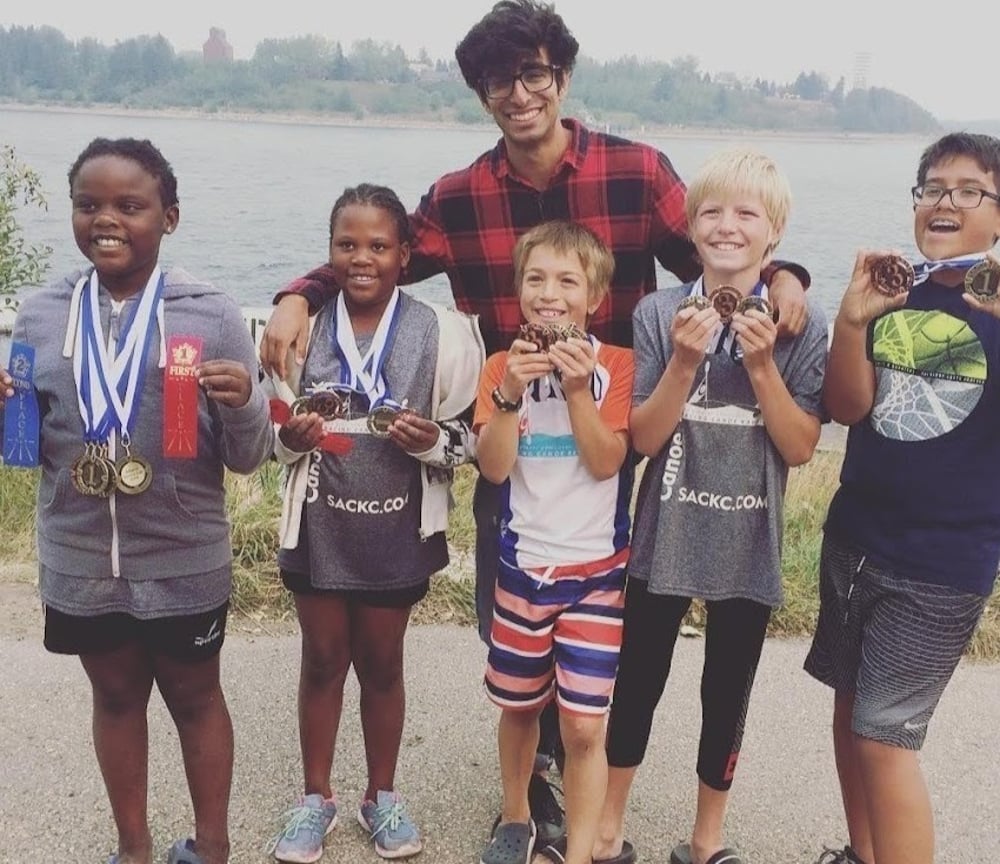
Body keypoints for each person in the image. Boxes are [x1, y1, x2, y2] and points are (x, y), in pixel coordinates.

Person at [258, 0, 813, 845]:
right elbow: (377, 252)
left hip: (609, 421)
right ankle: (534, 780)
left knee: (592, 601)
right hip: (507, 417)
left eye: (533, 74)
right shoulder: (458, 195)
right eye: (496, 82)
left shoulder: (635, 170)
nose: (518, 95)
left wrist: (786, 276)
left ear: (561, 77)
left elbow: (720, 250)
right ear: (481, 94)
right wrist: (304, 290)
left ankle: (566, 768)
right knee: (508, 607)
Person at [0, 137, 274, 864]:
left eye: (130, 205)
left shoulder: (210, 314)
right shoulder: (39, 314)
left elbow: (249, 455)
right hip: (81, 560)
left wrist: (249, 401)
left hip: (183, 556)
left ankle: (211, 847)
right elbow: (25, 451)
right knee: (115, 699)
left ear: (170, 216)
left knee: (195, 698)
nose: (106, 220)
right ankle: (134, 849)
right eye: (88, 205)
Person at [581, 149, 828, 864]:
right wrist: (686, 364)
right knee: (639, 680)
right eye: (711, 213)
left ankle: (706, 837)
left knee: (727, 692)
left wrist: (760, 365)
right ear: (689, 228)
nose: (727, 227)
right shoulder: (660, 312)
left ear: (774, 233)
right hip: (667, 528)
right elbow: (646, 438)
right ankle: (608, 824)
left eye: (747, 214)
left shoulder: (798, 325)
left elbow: (801, 445)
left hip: (750, 534)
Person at [264, 183, 484, 863]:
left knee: (383, 664)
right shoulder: (299, 329)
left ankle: (382, 796)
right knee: (323, 659)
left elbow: (467, 442)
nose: (363, 258)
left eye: (379, 246)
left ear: (406, 253)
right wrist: (294, 437)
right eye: (347, 244)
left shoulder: (442, 332)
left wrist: (426, 442)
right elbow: (270, 438)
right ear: (329, 251)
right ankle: (315, 798)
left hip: (398, 527)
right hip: (319, 522)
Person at [804, 132, 1000, 864]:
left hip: (943, 561)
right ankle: (862, 852)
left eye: (969, 189)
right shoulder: (894, 289)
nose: (945, 201)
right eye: (932, 187)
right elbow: (849, 408)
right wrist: (853, 321)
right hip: (856, 539)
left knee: (885, 739)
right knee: (850, 711)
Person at [473, 220, 633, 864]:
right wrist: (510, 393)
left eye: (568, 280)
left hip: (597, 572)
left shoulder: (616, 364)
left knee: (584, 723)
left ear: (593, 296)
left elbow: (606, 461)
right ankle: (516, 817)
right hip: (522, 567)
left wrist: (575, 389)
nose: (550, 294)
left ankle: (584, 843)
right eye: (535, 278)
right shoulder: (498, 366)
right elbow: (491, 467)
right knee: (518, 706)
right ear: (518, 290)